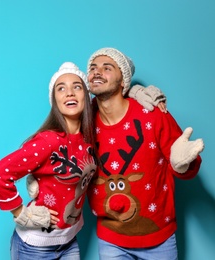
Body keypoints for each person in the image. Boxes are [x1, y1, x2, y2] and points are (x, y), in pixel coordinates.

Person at [85, 47, 204, 260]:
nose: (96, 72)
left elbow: (189, 166)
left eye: (107, 67)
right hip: (110, 239)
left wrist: (182, 164)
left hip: (159, 239)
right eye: (93, 68)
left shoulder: (153, 114)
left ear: (123, 81)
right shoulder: (84, 119)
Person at [0, 62, 98, 259]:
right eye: (61, 88)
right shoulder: (49, 140)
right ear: (55, 100)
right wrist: (22, 213)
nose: (69, 92)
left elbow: (113, 105)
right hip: (35, 247)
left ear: (86, 97)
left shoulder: (88, 139)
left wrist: (137, 94)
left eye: (77, 87)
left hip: (69, 241)